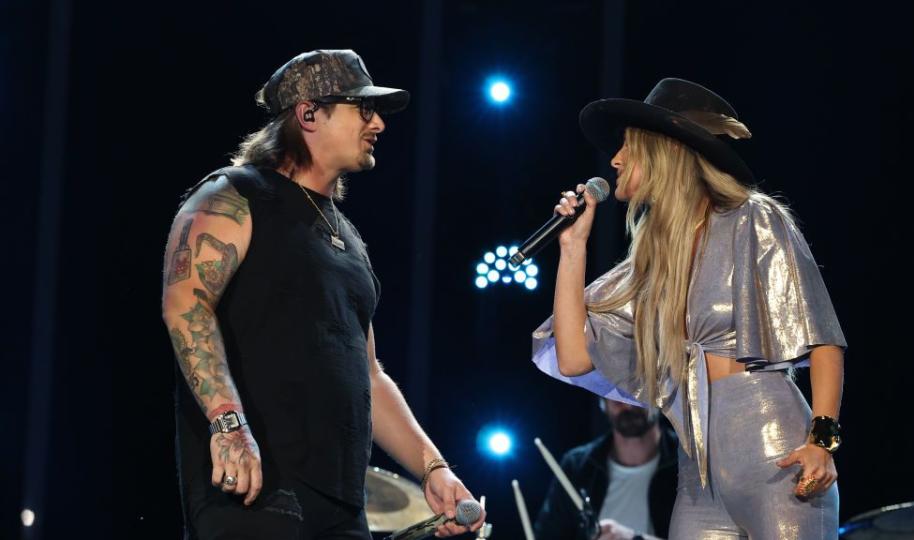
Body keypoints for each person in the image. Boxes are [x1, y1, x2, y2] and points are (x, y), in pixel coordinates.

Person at [161, 49, 485, 539]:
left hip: (341, 505)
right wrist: (228, 424)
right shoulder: (236, 195)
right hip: (256, 490)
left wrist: (432, 467)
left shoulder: (348, 240)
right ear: (309, 113)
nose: (378, 124)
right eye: (363, 108)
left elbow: (370, 375)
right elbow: (186, 304)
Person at [531, 78, 846, 539]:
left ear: (663, 152)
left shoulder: (753, 219)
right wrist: (572, 248)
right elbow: (574, 356)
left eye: (627, 147)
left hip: (774, 450)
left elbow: (823, 340)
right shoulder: (651, 260)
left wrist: (821, 443)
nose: (614, 160)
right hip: (697, 472)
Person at [534, 399, 677, 540]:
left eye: (636, 393)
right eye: (616, 394)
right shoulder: (577, 466)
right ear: (603, 402)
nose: (627, 404)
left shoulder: (690, 464)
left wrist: (634, 538)